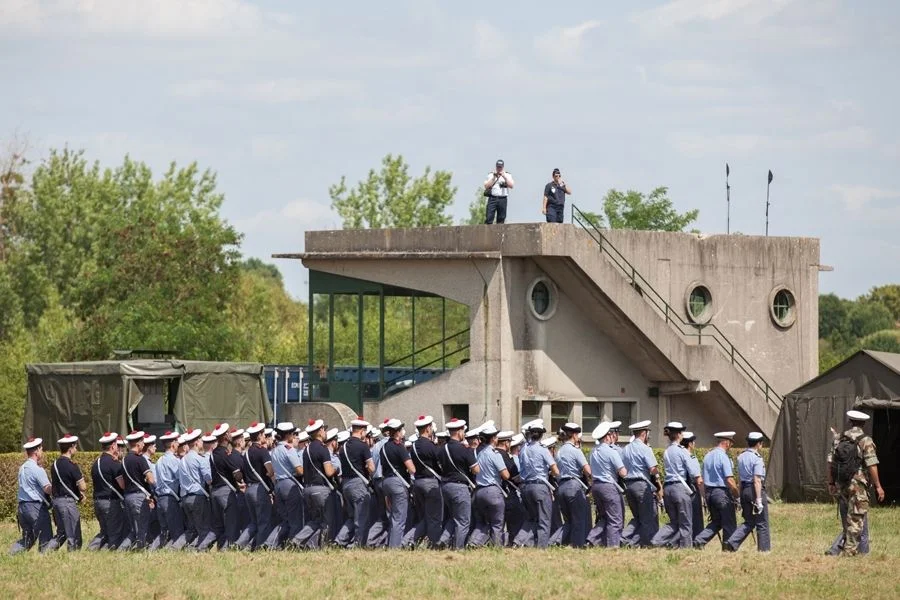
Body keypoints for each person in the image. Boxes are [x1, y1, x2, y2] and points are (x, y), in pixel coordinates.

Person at [825, 410, 884, 557]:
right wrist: (878, 486)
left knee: (848, 517)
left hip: (841, 483)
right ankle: (849, 551)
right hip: (858, 485)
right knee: (857, 518)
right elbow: (871, 465)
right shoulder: (866, 440)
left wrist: (831, 482)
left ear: (850, 421)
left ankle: (857, 549)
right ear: (863, 423)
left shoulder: (838, 439)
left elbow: (830, 462)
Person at [651, 422, 701, 549]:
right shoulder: (682, 451)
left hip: (668, 488)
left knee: (674, 522)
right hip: (680, 488)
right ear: (679, 434)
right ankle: (685, 549)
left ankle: (656, 540)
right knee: (686, 522)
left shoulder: (667, 451)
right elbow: (693, 472)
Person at [291, 419, 337, 549]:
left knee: (315, 521)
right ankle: (323, 546)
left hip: (308, 489)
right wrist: (336, 470)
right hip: (321, 489)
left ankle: (297, 539)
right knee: (326, 521)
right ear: (320, 431)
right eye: (324, 429)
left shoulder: (307, 449)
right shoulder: (323, 449)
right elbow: (328, 472)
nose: (325, 432)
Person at [515, 419, 559, 548]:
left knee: (531, 518)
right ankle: (542, 547)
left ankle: (518, 541)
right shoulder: (543, 450)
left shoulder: (523, 449)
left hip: (525, 486)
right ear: (541, 435)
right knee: (544, 519)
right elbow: (555, 470)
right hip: (540, 486)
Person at [725, 432, 771, 552]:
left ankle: (732, 541)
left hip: (744, 489)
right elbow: (757, 480)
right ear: (759, 444)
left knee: (749, 521)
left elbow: (739, 478)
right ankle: (764, 550)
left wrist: (739, 496)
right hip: (754, 490)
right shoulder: (757, 458)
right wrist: (759, 500)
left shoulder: (741, 457)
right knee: (762, 522)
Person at [10, 437, 57, 554]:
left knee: (28, 538)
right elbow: (47, 489)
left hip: (22, 507)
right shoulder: (37, 469)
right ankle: (44, 562)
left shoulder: (22, 468)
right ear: (36, 451)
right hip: (36, 508)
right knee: (45, 536)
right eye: (41, 449)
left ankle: (11, 555)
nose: (42, 451)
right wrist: (58, 487)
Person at [694, 431, 739, 549]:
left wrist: (705, 497)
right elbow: (729, 480)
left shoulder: (707, 456)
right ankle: (728, 548)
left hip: (709, 493)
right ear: (727, 442)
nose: (731, 446)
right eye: (731, 443)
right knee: (729, 522)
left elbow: (702, 480)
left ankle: (699, 540)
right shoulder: (723, 457)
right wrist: (737, 495)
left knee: (716, 521)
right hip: (722, 493)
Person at [439, 418, 479, 549]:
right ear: (459, 431)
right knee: (463, 521)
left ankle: (442, 541)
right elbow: (476, 469)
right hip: (460, 487)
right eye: (463, 431)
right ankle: (458, 548)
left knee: (453, 518)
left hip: (445, 486)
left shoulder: (442, 448)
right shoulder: (464, 449)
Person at [335, 417, 375, 549]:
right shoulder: (363, 446)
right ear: (362, 431)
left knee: (352, 516)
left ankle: (339, 540)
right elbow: (372, 467)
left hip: (346, 483)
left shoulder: (344, 446)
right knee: (361, 516)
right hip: (358, 484)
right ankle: (357, 544)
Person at [621, 420, 662, 548]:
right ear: (644, 433)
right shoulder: (645, 449)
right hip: (642, 485)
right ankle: (635, 544)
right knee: (648, 517)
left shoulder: (625, 449)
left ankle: (623, 539)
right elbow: (653, 469)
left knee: (637, 517)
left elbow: (623, 469)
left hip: (629, 485)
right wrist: (659, 484)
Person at [174, 429, 216, 551]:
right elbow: (208, 479)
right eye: (200, 440)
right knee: (203, 527)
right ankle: (200, 550)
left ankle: (175, 547)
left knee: (192, 528)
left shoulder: (182, 460)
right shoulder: (199, 459)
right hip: (198, 497)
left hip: (185, 497)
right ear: (197, 442)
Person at [467, 425, 510, 547]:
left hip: (479, 491)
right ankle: (496, 547)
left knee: (481, 523)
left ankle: (473, 543)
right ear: (494, 439)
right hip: (493, 490)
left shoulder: (478, 454)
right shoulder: (494, 454)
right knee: (497, 523)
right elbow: (506, 475)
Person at [406, 415, 444, 548]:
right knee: (434, 517)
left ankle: (408, 540)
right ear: (428, 429)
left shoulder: (414, 446)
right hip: (430, 483)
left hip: (418, 482)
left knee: (426, 517)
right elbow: (439, 464)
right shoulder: (431, 446)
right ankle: (434, 544)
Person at [236, 421, 275, 550]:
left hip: (249, 489)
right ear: (259, 436)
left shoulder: (245, 453)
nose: (265, 436)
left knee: (253, 522)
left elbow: (241, 473)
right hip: (260, 488)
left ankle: (240, 544)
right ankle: (260, 547)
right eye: (263, 434)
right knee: (264, 521)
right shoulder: (262, 451)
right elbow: (270, 471)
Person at [587, 422, 627, 548]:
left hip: (596, 486)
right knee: (615, 518)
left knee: (604, 517)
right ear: (608, 436)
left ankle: (591, 539)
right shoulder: (611, 451)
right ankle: (613, 546)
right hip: (609, 486)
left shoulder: (593, 452)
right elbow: (623, 472)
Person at [378, 418, 415, 549]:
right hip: (398, 482)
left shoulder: (383, 448)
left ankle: (391, 544)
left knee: (393, 516)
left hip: (386, 481)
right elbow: (412, 469)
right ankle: (395, 547)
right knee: (399, 518)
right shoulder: (400, 447)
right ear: (397, 432)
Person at [555, 423, 591, 547]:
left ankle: (556, 541)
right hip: (574, 485)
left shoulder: (559, 452)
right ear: (574, 435)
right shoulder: (575, 451)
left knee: (568, 520)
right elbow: (587, 470)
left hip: (561, 486)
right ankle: (577, 544)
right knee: (578, 518)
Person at [209, 423, 244, 549]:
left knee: (218, 526)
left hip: (215, 491)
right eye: (228, 433)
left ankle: (211, 546)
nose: (230, 435)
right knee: (231, 523)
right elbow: (237, 475)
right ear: (224, 437)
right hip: (225, 491)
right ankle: (229, 548)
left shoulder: (213, 454)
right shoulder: (226, 454)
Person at [50, 434, 86, 551]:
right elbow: (83, 487)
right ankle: (73, 556)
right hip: (67, 502)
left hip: (56, 501)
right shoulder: (72, 466)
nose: (76, 448)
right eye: (75, 446)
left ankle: (45, 551)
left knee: (61, 533)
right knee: (73, 533)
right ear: (70, 448)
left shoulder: (54, 464)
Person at [121, 430, 156, 550]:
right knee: (142, 527)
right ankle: (140, 549)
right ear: (138, 444)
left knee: (134, 528)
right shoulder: (140, 459)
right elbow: (151, 480)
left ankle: (122, 549)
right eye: (142, 442)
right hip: (139, 497)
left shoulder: (124, 460)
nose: (143, 445)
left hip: (128, 496)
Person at [154, 430, 184, 549]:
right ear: (172, 445)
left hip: (160, 499)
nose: (178, 444)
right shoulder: (174, 460)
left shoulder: (159, 460)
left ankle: (154, 550)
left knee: (164, 530)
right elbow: (180, 478)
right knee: (176, 530)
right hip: (170, 499)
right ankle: (171, 552)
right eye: (177, 442)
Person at [497, 430, 525, 544]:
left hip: (498, 491)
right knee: (516, 520)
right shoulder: (504, 456)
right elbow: (514, 475)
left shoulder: (492, 453)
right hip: (508, 492)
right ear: (506, 443)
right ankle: (513, 542)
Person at [679, 432, 705, 539]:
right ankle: (697, 540)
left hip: (681, 489)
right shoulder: (691, 456)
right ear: (690, 444)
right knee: (696, 518)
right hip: (692, 490)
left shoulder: (678, 454)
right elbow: (697, 477)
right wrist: (704, 494)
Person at [483, 159, 515, 224]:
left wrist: (504, 177)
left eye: (500, 167)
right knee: (489, 217)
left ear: (503, 167)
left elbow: (511, 186)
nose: (499, 168)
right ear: (496, 167)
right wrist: (493, 178)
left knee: (501, 218)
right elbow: (486, 186)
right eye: (498, 167)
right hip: (493, 198)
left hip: (502, 199)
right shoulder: (491, 175)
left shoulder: (508, 175)